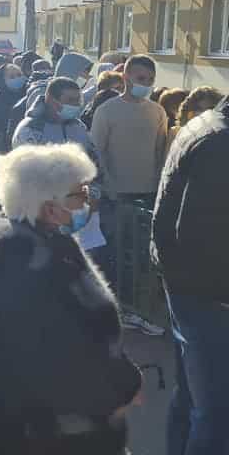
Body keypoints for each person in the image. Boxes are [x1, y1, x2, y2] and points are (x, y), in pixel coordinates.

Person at [0, 143, 143, 455]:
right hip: (44, 432)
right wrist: (110, 395)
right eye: (79, 194)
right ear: (49, 206)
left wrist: (121, 378)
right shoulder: (20, 264)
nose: (87, 201)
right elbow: (48, 360)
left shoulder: (54, 245)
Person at [151, 94, 229, 455]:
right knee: (217, 414)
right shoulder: (220, 143)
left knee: (193, 398)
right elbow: (203, 239)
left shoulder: (209, 124)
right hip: (210, 296)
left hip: (189, 286)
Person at [90, 55, 168, 329]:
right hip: (115, 196)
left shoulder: (157, 112)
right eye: (140, 79)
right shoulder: (107, 111)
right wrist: (106, 186)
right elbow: (96, 151)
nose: (145, 84)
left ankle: (136, 309)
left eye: (150, 80)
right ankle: (114, 309)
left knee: (140, 257)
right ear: (126, 78)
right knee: (115, 253)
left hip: (146, 196)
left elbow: (161, 153)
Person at [11, 77, 107, 266]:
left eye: (78, 100)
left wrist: (92, 194)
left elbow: (94, 162)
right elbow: (28, 174)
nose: (76, 105)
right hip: (42, 212)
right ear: (51, 99)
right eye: (70, 100)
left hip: (78, 209)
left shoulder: (78, 127)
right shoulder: (30, 129)